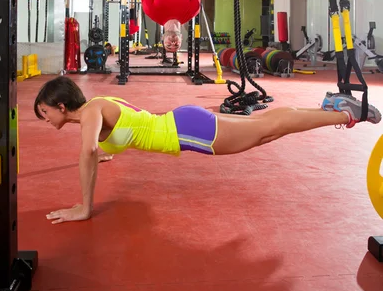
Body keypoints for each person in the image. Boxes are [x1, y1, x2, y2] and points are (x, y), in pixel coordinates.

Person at [33, 77, 381, 225]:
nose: (44, 119)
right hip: (185, 123)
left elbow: (87, 152)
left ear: (62, 105)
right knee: (267, 129)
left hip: (187, 130)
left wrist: (85, 206)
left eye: (44, 112)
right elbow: (123, 131)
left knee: (266, 130)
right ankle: (333, 108)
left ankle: (347, 113)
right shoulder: (96, 109)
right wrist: (109, 152)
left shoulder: (92, 111)